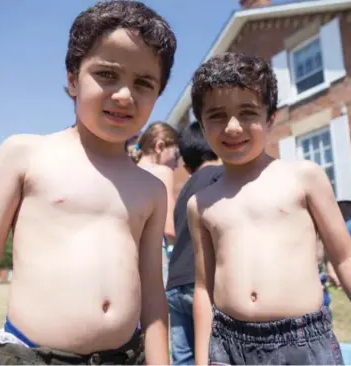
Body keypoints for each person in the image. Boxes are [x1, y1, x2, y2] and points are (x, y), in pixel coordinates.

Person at [0, 1, 177, 364]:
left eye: (143, 83)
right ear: (73, 78)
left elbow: (154, 298)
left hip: (127, 356)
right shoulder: (25, 154)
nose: (125, 94)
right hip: (33, 355)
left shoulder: (151, 189)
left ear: (158, 95)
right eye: (107, 74)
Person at [187, 52, 351, 365]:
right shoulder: (201, 204)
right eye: (217, 115)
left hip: (303, 341)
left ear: (270, 118)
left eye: (247, 112)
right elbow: (204, 288)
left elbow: (344, 256)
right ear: (203, 125)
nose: (233, 127)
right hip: (228, 344)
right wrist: (202, 358)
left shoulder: (303, 177)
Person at [166, 121, 221, 365]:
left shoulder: (184, 192)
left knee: (184, 357)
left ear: (186, 166)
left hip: (176, 283)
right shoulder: (223, 177)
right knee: (214, 354)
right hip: (204, 283)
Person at [129, 121, 179, 286]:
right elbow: (169, 228)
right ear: (160, 146)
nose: (177, 164)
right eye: (175, 156)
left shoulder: (127, 172)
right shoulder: (162, 172)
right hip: (153, 260)